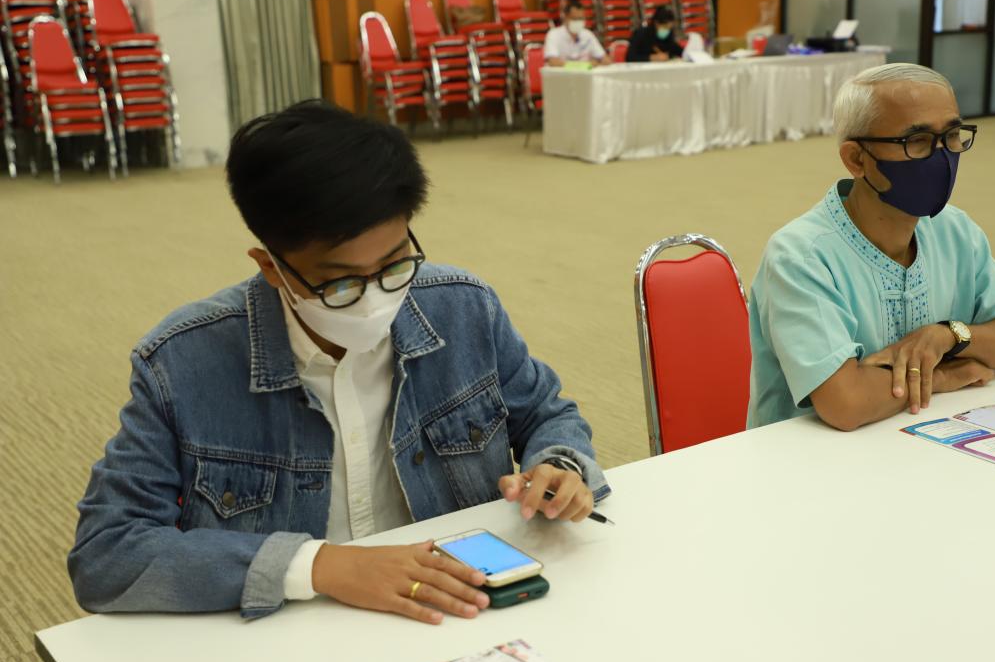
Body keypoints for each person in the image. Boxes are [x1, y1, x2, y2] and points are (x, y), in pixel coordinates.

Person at [69, 100, 610, 623]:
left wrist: (559, 467)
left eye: (395, 265)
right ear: (271, 267)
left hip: (459, 609)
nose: (374, 300)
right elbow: (107, 553)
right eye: (340, 284)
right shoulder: (182, 363)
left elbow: (547, 413)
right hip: (291, 630)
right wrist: (320, 566)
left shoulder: (463, 308)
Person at [747, 63, 995, 431]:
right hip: (810, 458)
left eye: (952, 135)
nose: (942, 155)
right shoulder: (801, 255)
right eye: (917, 140)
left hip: (923, 441)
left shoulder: (955, 230)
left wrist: (949, 336)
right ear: (857, 159)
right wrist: (942, 376)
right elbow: (846, 403)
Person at [543, 0, 609, 67]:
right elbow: (553, 62)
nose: (578, 22)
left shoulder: (588, 35)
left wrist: (596, 62)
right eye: (575, 19)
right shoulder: (553, 35)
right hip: (562, 73)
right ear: (565, 18)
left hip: (584, 73)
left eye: (581, 19)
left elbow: (606, 60)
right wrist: (583, 66)